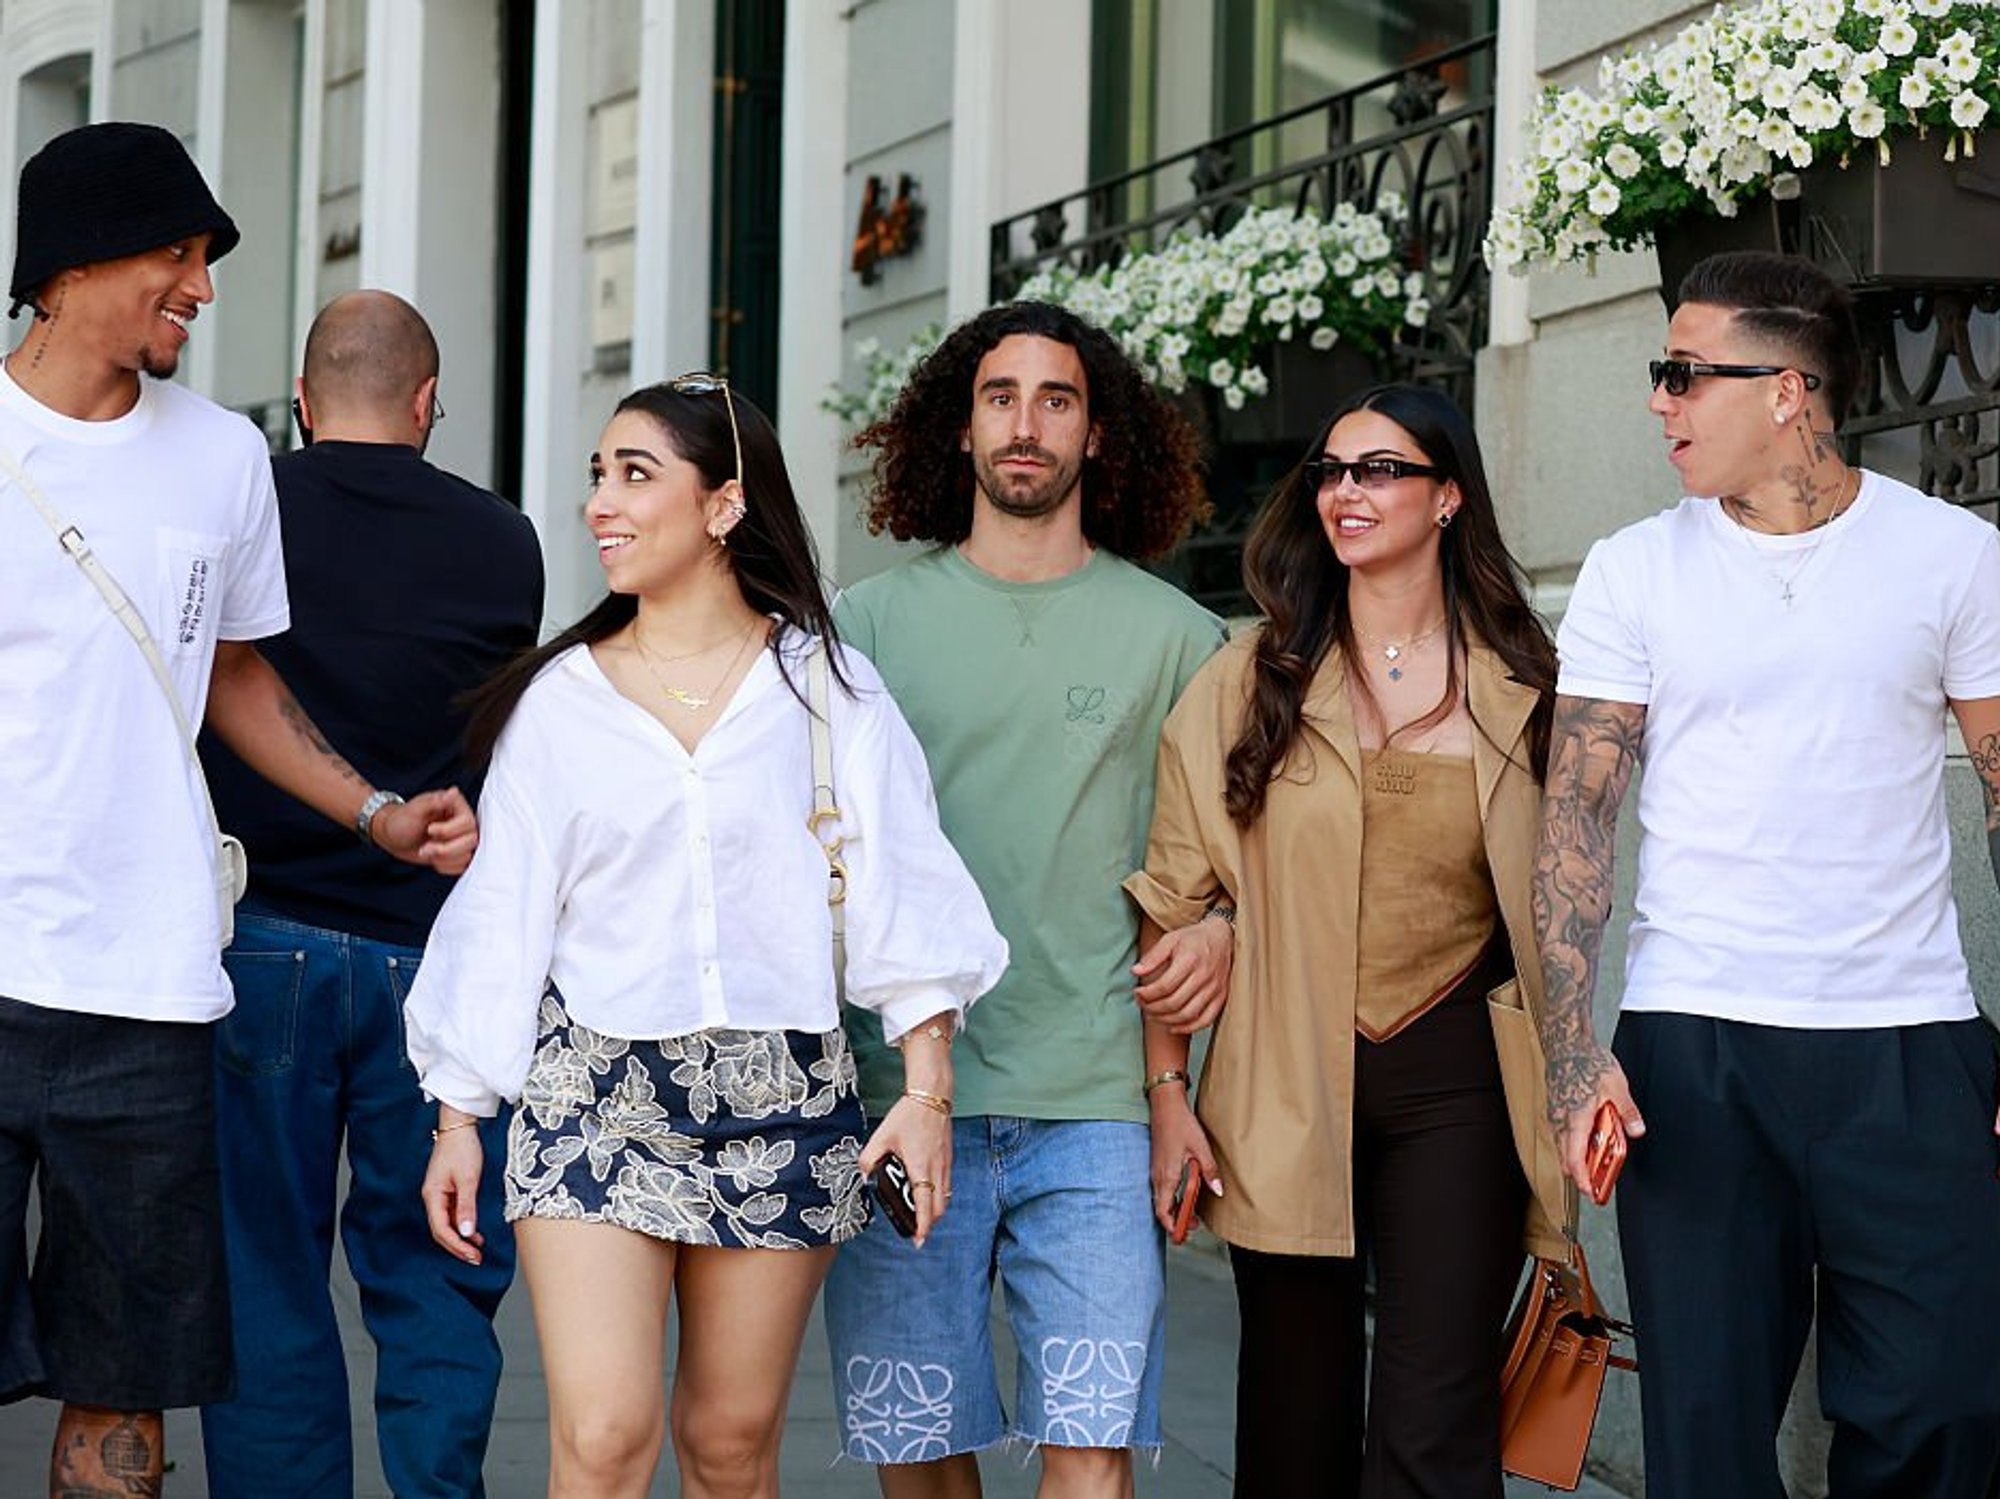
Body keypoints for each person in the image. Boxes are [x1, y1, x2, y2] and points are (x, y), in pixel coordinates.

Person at [403, 375, 1006, 1499]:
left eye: (636, 473)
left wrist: (925, 1091)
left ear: (724, 503)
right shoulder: (560, 700)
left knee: (730, 1444)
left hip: (784, 1095)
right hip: (594, 1092)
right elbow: (502, 914)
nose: (601, 503)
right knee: (602, 1436)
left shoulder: (827, 687)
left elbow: (904, 894)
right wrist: (457, 1115)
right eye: (597, 475)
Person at [0, 122, 475, 1497]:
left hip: (147, 989)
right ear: (76, 257)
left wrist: (374, 807)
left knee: (125, 1384)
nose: (201, 289)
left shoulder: (220, 457)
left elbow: (237, 676)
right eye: (179, 253)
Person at [1534, 249, 2000, 1498]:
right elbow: (1576, 812)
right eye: (1657, 373)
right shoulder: (1634, 567)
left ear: (1789, 389)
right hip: (1693, 1051)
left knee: (1943, 1405)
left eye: (1683, 373)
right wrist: (1571, 1046)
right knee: (1703, 1432)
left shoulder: (1949, 554)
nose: (1658, 401)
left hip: (1906, 1041)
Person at [1126, 383, 1570, 1496]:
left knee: (1435, 1409)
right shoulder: (1247, 673)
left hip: (1456, 1075)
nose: (1345, 491)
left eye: (1379, 469)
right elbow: (1174, 896)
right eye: (1330, 470)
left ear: (1448, 495)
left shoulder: (1523, 683)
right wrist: (1169, 1093)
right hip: (1280, 1073)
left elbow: (1569, 890)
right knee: (1291, 1411)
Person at [821, 300, 1227, 1498]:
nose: (1025, 424)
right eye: (1000, 396)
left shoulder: (1177, 636)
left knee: (1092, 1451)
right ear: (958, 428)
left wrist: (1221, 938)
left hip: (1095, 1100)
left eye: (1057, 400)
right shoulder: (865, 629)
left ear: (1100, 437)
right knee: (919, 1453)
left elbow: (1221, 857)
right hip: (901, 1097)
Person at [196, 290, 544, 1499]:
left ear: (299, 406)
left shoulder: (248, 509)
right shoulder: (506, 540)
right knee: (437, 1267)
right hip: (431, 960)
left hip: (259, 948)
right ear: (427, 402)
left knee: (263, 1273)